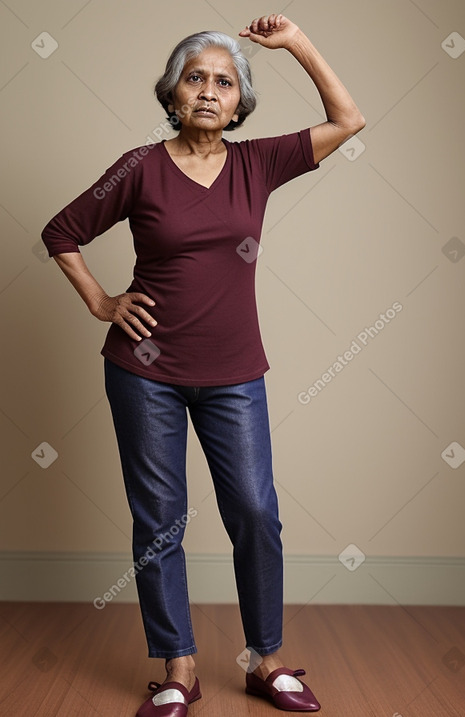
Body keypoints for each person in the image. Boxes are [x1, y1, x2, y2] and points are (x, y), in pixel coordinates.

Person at [41, 13, 365, 717]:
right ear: (174, 93)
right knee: (159, 517)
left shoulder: (259, 163)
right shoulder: (139, 166)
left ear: (240, 99)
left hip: (234, 373)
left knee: (254, 509)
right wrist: (101, 300)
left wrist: (299, 43)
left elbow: (349, 118)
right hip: (143, 370)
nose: (210, 92)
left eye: (224, 81)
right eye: (196, 79)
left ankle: (266, 659)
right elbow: (61, 231)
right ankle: (177, 664)